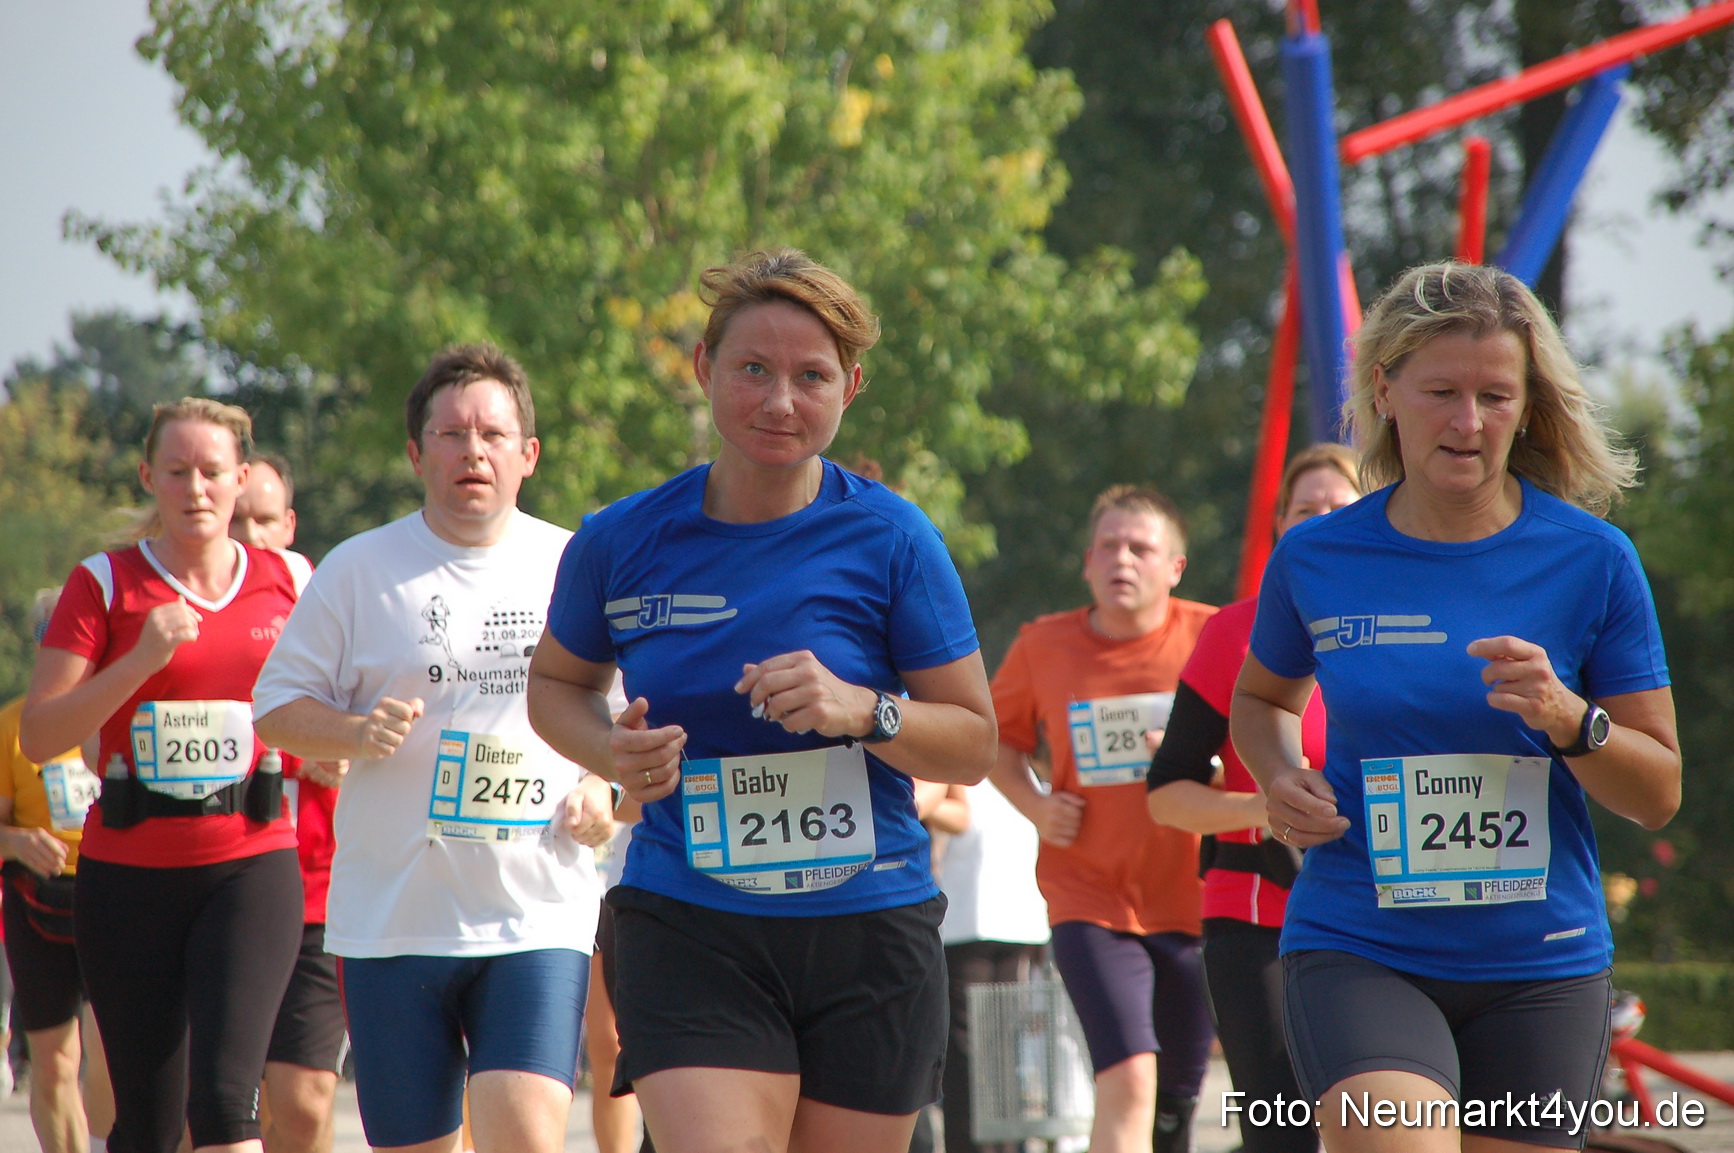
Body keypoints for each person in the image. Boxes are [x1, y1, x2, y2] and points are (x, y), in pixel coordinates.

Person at [525, 247, 997, 1153]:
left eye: (811, 376)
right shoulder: (618, 539)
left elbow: (974, 743)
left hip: (869, 926)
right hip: (689, 921)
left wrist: (865, 709)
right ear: (704, 368)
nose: (781, 400)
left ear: (850, 387)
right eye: (753, 369)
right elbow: (557, 685)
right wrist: (607, 750)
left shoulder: (894, 537)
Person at [1231, 262, 1680, 1153]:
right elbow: (1258, 698)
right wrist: (1279, 775)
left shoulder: (1593, 559)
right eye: (1440, 390)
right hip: (1359, 942)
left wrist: (1569, 716)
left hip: (1542, 960)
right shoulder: (1318, 556)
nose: (1468, 421)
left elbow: (1657, 790)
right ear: (1386, 390)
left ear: (1528, 405)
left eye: (1495, 395)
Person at [252, 343, 614, 1153]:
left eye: (492, 432)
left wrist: (602, 788)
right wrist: (352, 730)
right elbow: (274, 707)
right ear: (417, 454)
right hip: (393, 923)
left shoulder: (574, 564)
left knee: (525, 1135)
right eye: (450, 434)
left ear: (529, 455)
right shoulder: (357, 570)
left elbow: (624, 715)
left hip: (536, 911)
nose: (472, 450)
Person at [21, 398, 310, 1153]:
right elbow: (40, 732)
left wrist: (334, 744)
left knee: (224, 1103)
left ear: (241, 479)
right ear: (150, 475)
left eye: (213, 472)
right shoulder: (105, 583)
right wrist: (140, 659)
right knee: (146, 1125)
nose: (196, 489)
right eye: (177, 471)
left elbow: (328, 704)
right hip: (128, 873)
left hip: (251, 861)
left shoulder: (290, 579)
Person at [1146, 444, 1361, 1153]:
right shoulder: (1235, 632)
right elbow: (1167, 791)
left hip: (1389, 917)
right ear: (1279, 527)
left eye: (1341, 506)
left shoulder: (1413, 629)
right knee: (1284, 1137)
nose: (1323, 520)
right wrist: (1260, 808)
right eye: (1306, 509)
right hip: (1256, 919)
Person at [988, 485, 1217, 1153]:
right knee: (1129, 1079)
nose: (1124, 559)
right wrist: (1034, 805)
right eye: (1109, 546)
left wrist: (1208, 772)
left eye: (1141, 547)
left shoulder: (1214, 636)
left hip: (1199, 900)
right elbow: (994, 742)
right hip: (1088, 896)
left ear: (1175, 566)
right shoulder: (1043, 644)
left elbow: (1270, 744)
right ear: (1087, 563)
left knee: (1174, 1103)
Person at [228, 454, 344, 1153]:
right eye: (239, 519)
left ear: (290, 523)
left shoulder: (326, 603)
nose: (251, 534)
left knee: (302, 1101)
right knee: (216, 1101)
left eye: (264, 518)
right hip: (219, 880)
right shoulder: (190, 616)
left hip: (319, 889)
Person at [2, 588, 114, 1153]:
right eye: (52, 634)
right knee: (54, 1059)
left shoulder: (120, 709)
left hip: (114, 894)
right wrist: (16, 840)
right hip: (38, 899)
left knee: (109, 1051)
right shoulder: (12, 725)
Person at [932, 782, 1049, 1153]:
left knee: (1002, 1055)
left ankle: (1006, 1146)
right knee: (974, 1057)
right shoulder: (969, 745)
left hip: (1014, 918)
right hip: (973, 920)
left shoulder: (1022, 751)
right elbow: (957, 816)